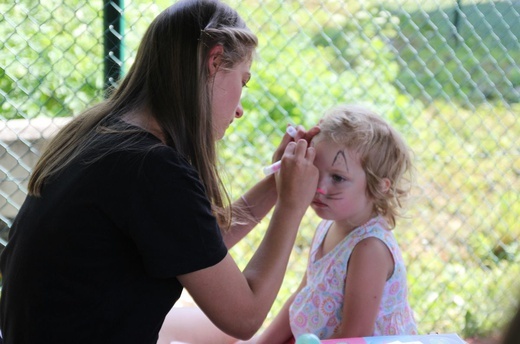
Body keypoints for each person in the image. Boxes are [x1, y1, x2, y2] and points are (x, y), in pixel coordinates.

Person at [0, 1, 320, 343]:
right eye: (244, 81)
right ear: (214, 63)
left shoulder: (102, 136)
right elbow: (244, 316)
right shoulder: (151, 168)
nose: (240, 108)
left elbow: (195, 246)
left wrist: (277, 184)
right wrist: (291, 206)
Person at [242, 104, 418, 343]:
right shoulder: (328, 226)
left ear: (378, 186)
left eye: (338, 177)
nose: (319, 187)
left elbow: (353, 337)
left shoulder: (370, 250)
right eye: (315, 170)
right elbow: (305, 296)